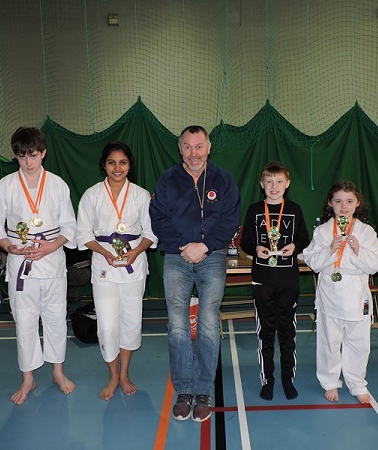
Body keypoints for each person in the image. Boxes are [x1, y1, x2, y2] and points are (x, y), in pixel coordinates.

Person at [149, 125, 240, 422]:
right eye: (187, 147)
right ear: (180, 149)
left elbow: (230, 221)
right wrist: (181, 246)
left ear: (209, 147)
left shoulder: (224, 180)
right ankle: (184, 391)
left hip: (212, 257)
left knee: (209, 324)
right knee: (177, 325)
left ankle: (204, 391)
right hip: (176, 258)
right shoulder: (167, 180)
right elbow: (158, 218)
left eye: (198, 146)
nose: (193, 153)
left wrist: (205, 246)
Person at [0, 126, 77, 405]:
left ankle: (58, 372)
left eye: (33, 155)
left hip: (52, 262)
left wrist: (51, 245)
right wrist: (10, 246)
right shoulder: (7, 186)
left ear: (43, 153)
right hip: (20, 262)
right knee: (24, 321)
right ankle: (28, 377)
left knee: (56, 318)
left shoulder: (58, 184)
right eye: (22, 156)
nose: (28, 162)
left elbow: (69, 225)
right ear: (16, 156)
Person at [76, 141, 157, 400]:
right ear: (104, 165)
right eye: (112, 162)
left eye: (122, 162)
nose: (117, 168)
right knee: (108, 326)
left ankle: (124, 375)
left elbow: (150, 233)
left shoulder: (142, 195)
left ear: (129, 165)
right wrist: (104, 252)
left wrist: (135, 251)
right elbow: (83, 233)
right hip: (104, 266)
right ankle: (112, 375)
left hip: (134, 266)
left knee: (131, 322)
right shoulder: (91, 195)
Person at [302, 180, 378, 404]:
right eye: (338, 201)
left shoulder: (366, 232)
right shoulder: (322, 232)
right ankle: (330, 381)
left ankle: (357, 383)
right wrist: (330, 250)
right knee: (329, 342)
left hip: (356, 295)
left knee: (358, 343)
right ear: (330, 204)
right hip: (330, 293)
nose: (344, 206)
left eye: (349, 201)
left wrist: (359, 250)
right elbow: (312, 261)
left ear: (357, 203)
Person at [240, 161, 310, 401]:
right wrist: (257, 247)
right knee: (265, 332)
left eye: (279, 181)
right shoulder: (254, 210)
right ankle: (267, 380)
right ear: (262, 184)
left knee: (288, 332)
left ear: (287, 184)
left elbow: (304, 238)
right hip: (262, 280)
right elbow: (245, 242)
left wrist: (295, 246)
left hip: (288, 280)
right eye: (269, 181)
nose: (274, 186)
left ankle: (287, 379)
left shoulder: (294, 209)